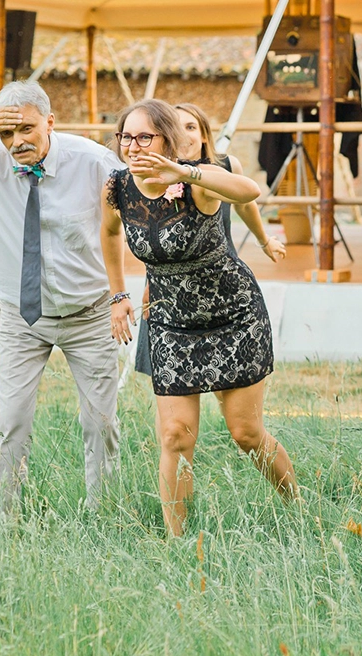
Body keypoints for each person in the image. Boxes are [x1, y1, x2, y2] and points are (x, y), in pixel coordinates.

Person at [100, 100, 298, 537]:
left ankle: (297, 507)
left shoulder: (198, 182)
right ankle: (178, 542)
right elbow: (111, 234)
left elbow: (249, 192)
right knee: (175, 434)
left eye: (144, 137)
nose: (133, 146)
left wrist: (184, 171)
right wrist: (119, 294)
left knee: (245, 433)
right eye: (126, 137)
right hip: (170, 321)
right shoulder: (117, 187)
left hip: (232, 316)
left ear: (167, 141)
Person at [0, 81, 122, 517]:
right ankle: (2, 521)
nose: (17, 142)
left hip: (89, 313)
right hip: (21, 317)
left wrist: (124, 293)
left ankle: (105, 515)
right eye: (6, 133)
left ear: (49, 122)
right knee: (11, 421)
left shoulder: (94, 162)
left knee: (100, 424)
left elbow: (136, 220)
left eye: (25, 129)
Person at [132, 102, 286, 376]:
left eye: (191, 127)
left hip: (219, 278)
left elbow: (246, 204)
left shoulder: (226, 165)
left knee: (225, 371)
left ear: (204, 135)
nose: (184, 134)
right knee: (172, 374)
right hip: (170, 283)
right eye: (176, 128)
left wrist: (264, 241)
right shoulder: (157, 175)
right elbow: (150, 234)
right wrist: (150, 281)